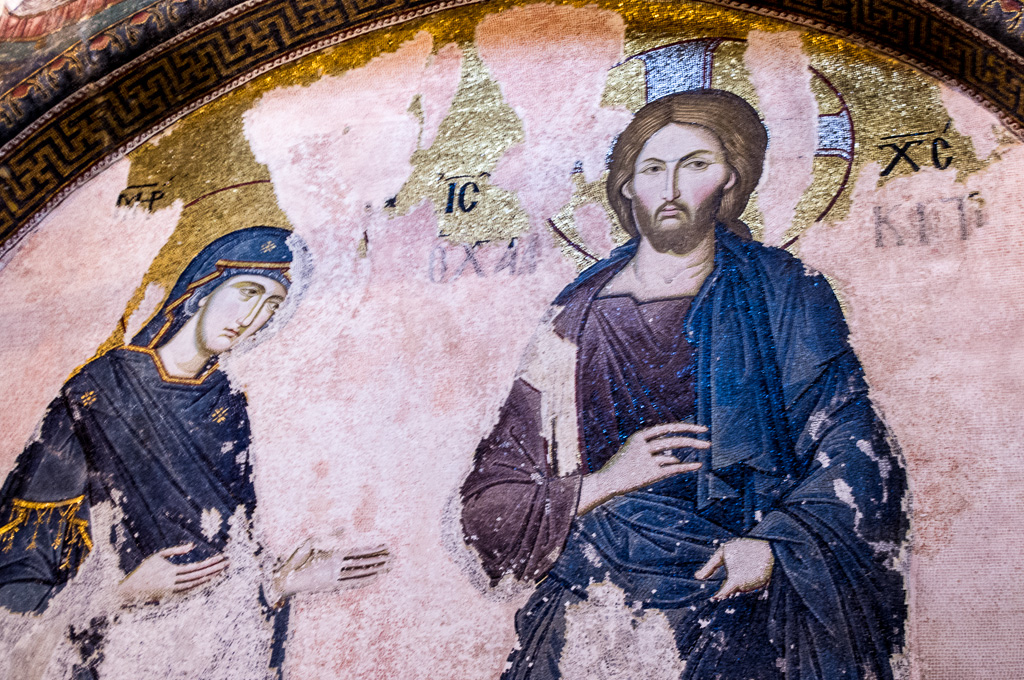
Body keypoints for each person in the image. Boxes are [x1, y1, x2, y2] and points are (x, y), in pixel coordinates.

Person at [460, 90, 907, 680]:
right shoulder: (573, 317)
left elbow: (853, 447)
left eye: (695, 164)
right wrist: (601, 483)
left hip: (732, 597)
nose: (669, 188)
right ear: (626, 187)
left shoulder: (786, 292)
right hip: (588, 610)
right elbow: (492, 497)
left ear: (731, 179)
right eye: (651, 168)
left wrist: (777, 546)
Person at [0, 226, 389, 678]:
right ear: (202, 288)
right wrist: (117, 594)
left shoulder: (229, 404)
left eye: (271, 305)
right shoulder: (97, 391)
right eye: (247, 291)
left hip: (209, 652)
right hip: (112, 654)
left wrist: (280, 582)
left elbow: (225, 555)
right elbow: (21, 569)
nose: (252, 316)